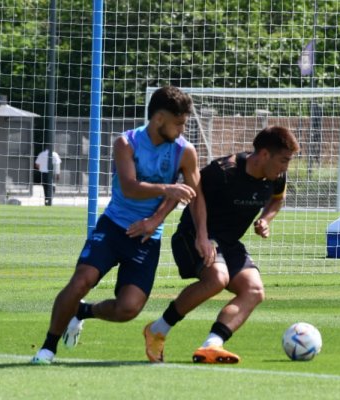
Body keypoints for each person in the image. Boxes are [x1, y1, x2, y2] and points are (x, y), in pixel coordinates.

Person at [31, 86, 214, 365]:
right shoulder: (126, 143)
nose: (182, 129)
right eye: (178, 123)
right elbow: (129, 188)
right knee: (82, 281)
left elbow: (196, 194)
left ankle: (82, 312)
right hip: (114, 227)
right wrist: (168, 189)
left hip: (146, 238)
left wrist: (201, 235)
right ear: (159, 119)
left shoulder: (185, 152)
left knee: (129, 309)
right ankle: (48, 348)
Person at [143, 125, 300, 364]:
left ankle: (212, 345)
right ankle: (158, 329)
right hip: (193, 235)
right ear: (265, 154)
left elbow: (278, 200)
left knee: (254, 290)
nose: (285, 167)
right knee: (217, 278)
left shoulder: (276, 178)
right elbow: (193, 193)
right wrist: (202, 236)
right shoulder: (223, 171)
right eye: (283, 160)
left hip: (229, 243)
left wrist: (265, 219)